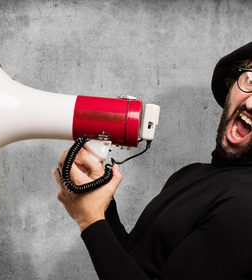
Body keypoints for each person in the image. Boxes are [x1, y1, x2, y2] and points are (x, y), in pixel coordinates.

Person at [54, 42, 252, 279]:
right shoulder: (192, 174)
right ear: (231, 84)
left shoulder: (245, 208)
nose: (250, 104)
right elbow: (138, 264)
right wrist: (101, 204)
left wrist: (89, 220)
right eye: (251, 79)